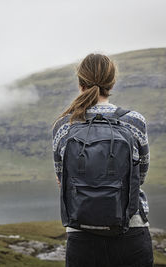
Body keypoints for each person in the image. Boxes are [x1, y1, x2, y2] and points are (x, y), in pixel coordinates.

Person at [52, 53, 154, 267]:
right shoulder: (134, 121)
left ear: (80, 83)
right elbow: (140, 176)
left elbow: (62, 178)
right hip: (130, 230)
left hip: (81, 232)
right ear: (112, 82)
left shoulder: (64, 125)